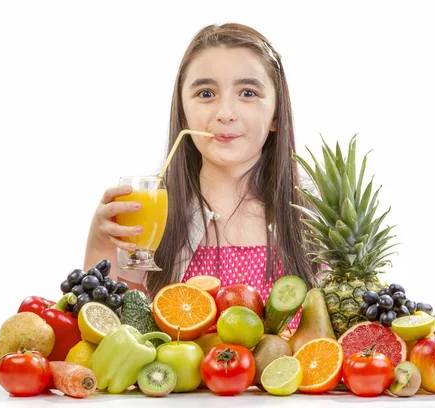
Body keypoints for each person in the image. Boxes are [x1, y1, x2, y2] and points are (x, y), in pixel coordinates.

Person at [83, 23, 318, 329]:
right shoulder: (152, 212)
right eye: (206, 93)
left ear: (275, 114)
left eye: (248, 93)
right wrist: (100, 243)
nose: (225, 112)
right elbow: (107, 331)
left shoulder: (312, 216)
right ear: (182, 112)